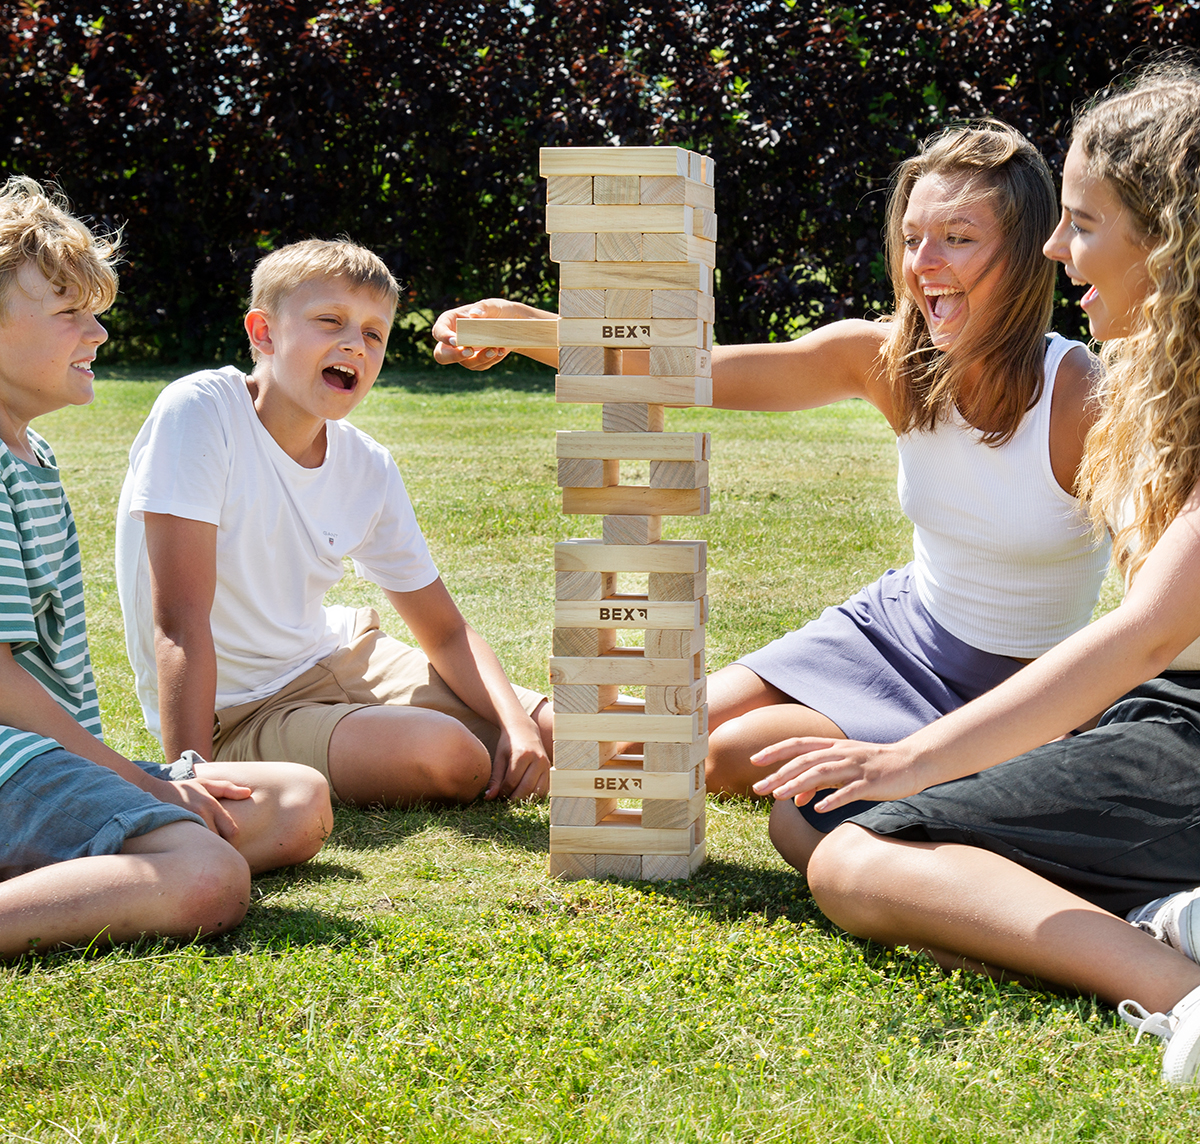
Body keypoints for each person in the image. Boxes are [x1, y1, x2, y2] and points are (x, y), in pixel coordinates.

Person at [432, 122, 1110, 827]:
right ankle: (454, 717)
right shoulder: (886, 361)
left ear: (1032, 252)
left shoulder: (1080, 399)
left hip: (1008, 690)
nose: (923, 264)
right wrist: (527, 329)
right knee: (639, 736)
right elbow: (685, 371)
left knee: (726, 757)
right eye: (912, 239)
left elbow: (1157, 602)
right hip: (888, 630)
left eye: (958, 238)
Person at [751, 63, 1200, 1084]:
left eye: (1082, 224)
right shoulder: (1153, 387)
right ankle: (1156, 917)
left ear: (1169, 240)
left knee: (856, 855)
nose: (1053, 247)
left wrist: (906, 763)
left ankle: (1182, 993)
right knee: (807, 813)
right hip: (1158, 722)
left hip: (1178, 727)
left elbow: (1141, 636)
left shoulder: (1116, 393)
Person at [0, 177, 330, 957]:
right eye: (68, 313)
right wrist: (147, 784)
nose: (98, 334)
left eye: (97, 312)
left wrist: (156, 780)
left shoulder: (30, 455)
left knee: (295, 800)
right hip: (13, 757)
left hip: (40, 758)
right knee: (206, 877)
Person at [115, 239, 553, 808]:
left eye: (374, 333)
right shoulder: (200, 410)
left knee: (562, 735)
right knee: (454, 756)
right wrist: (190, 779)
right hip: (239, 711)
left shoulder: (366, 463)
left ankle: (695, 738)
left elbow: (445, 631)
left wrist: (517, 724)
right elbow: (179, 620)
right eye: (330, 321)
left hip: (341, 656)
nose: (355, 343)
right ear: (263, 332)